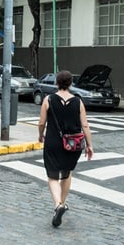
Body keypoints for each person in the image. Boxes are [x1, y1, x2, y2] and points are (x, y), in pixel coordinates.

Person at [37, 70, 94, 227]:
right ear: (70, 84)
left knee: (53, 175)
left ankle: (58, 205)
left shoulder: (48, 99)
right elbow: (85, 125)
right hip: (73, 144)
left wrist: (40, 135)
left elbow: (41, 123)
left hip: (53, 142)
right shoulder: (78, 101)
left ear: (56, 83)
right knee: (67, 173)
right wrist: (89, 145)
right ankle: (62, 202)